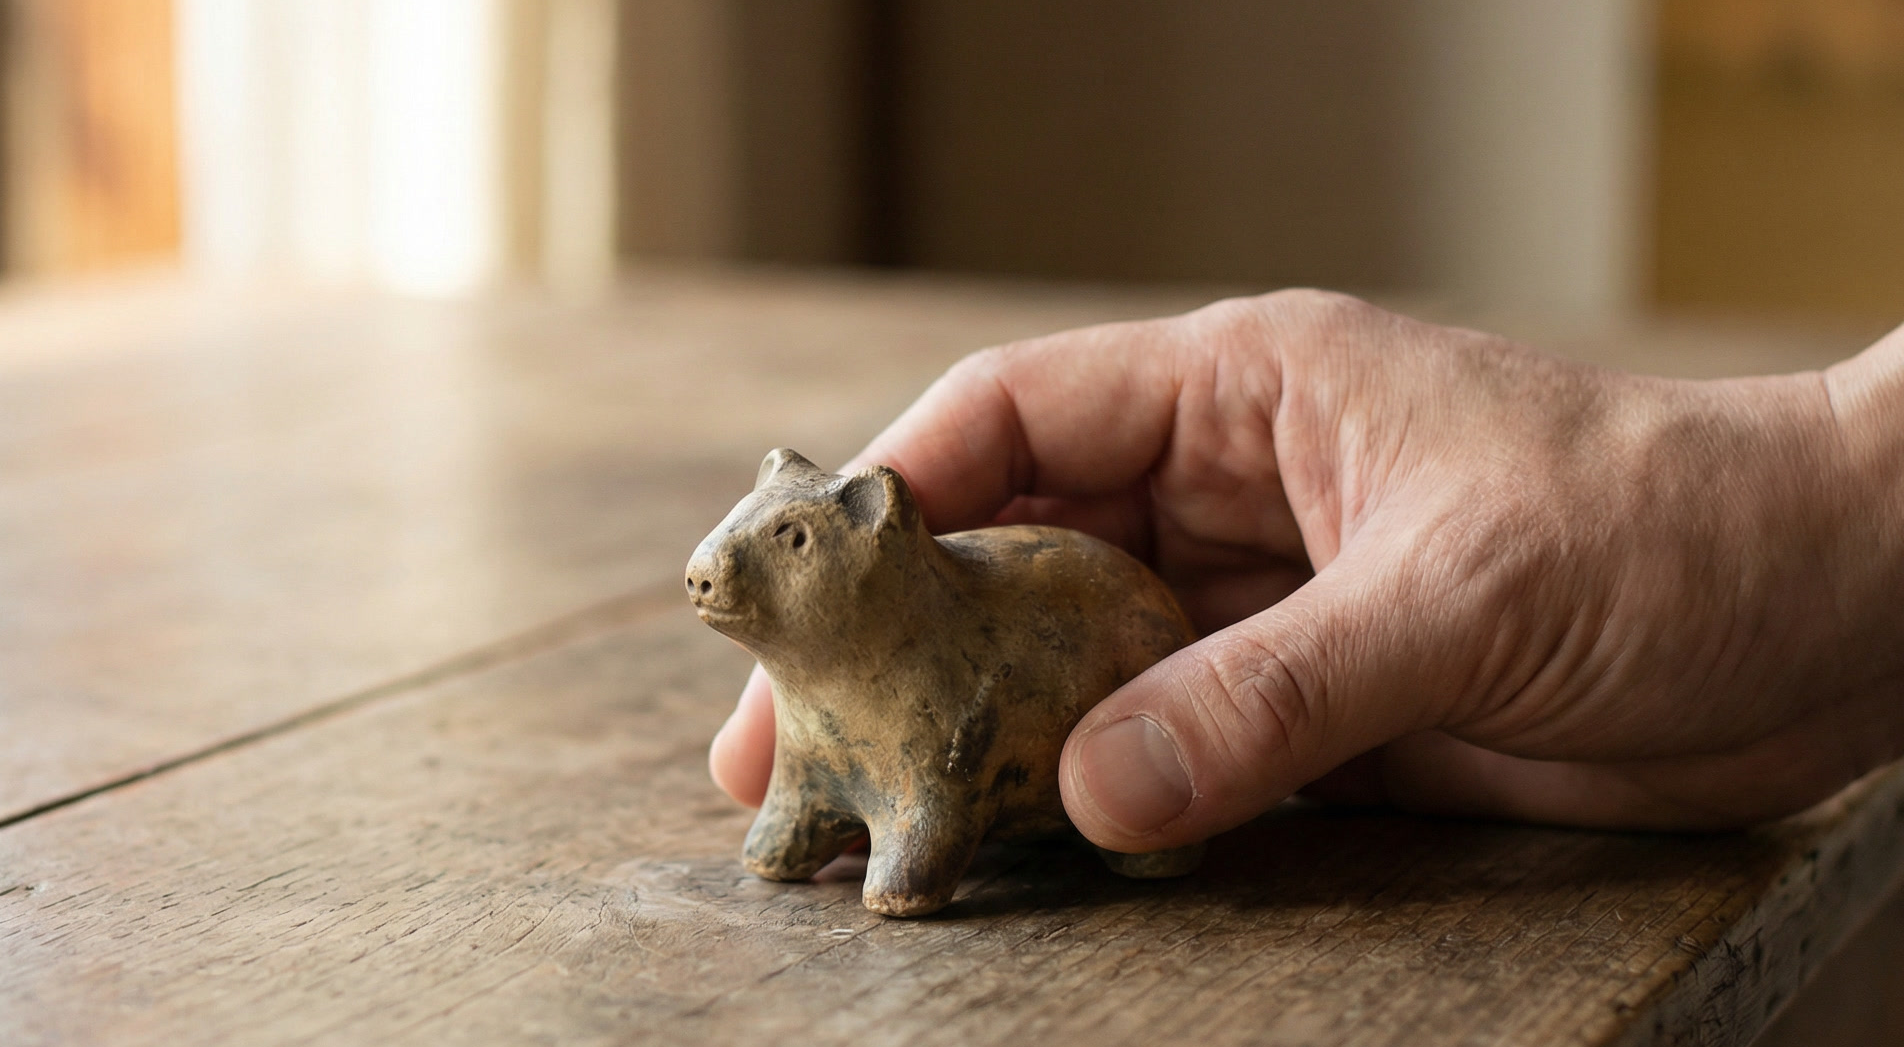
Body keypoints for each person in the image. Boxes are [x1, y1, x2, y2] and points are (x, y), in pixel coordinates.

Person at [709, 290, 1904, 856]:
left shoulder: (945, 654)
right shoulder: (834, 680)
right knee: (791, 784)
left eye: (796, 539)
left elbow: (935, 773)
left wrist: (1846, 499)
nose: (721, 569)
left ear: (873, 521)